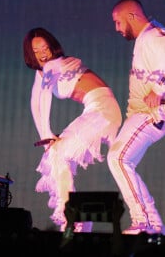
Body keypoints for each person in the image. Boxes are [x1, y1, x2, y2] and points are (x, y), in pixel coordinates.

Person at [23, 27, 122, 232]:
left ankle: (72, 215)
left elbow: (45, 96)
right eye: (36, 50)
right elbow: (35, 103)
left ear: (52, 47)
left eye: (45, 47)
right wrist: (46, 138)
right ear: (30, 53)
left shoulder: (54, 64)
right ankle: (76, 217)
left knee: (57, 152)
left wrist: (48, 134)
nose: (42, 53)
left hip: (103, 109)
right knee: (56, 153)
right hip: (96, 110)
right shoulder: (41, 72)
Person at [108, 0, 165, 235]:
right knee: (121, 160)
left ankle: (144, 222)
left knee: (119, 158)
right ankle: (153, 224)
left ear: (132, 16)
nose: (117, 28)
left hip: (151, 113)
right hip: (139, 113)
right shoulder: (146, 38)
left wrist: (160, 90)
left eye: (118, 22)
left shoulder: (153, 36)